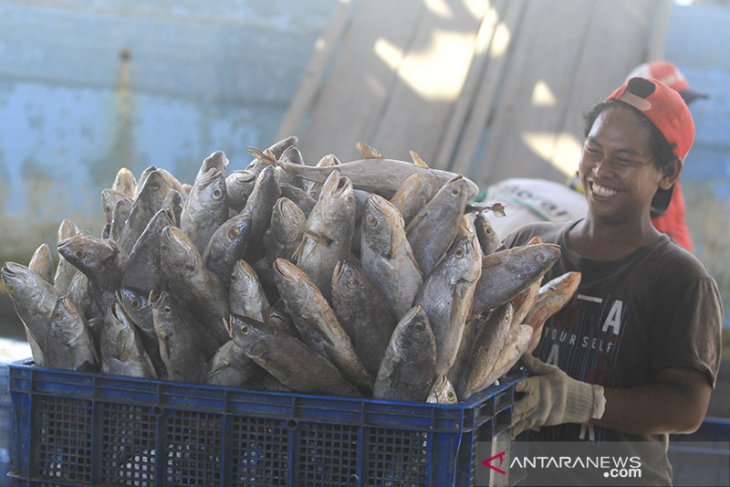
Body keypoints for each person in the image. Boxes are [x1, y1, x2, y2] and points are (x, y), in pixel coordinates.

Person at [506, 77, 723, 486]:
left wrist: (583, 401)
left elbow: (687, 407)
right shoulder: (528, 247)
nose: (601, 171)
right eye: (593, 150)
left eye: (624, 159)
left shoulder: (680, 279)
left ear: (667, 172)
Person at [626, 61, 709, 253]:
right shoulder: (629, 170)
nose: (682, 115)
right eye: (671, 106)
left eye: (683, 106)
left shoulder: (666, 165)